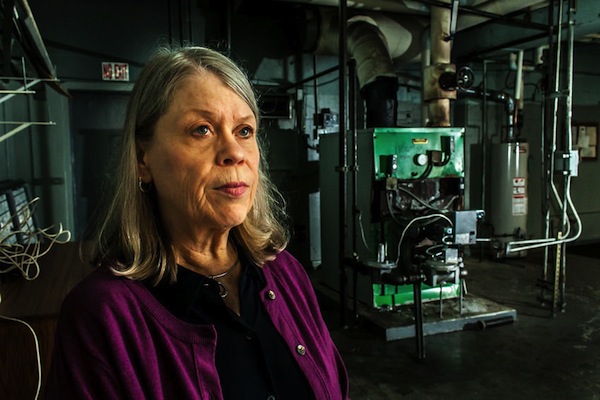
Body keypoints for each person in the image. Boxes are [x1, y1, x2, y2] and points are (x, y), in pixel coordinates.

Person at [46, 46, 349, 400]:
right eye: (202, 130)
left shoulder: (286, 272)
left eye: (244, 130)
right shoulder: (102, 317)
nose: (234, 151)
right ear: (144, 159)